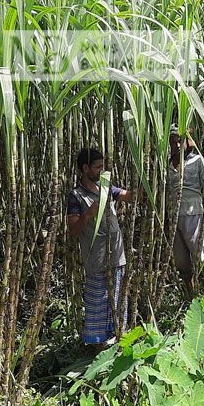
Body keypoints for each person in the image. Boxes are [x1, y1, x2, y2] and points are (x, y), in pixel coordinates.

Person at [67, 147, 136, 349]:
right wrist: (87, 215)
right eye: (98, 167)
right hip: (95, 260)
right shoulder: (76, 196)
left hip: (116, 256)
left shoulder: (106, 187)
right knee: (98, 304)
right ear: (85, 168)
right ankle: (98, 349)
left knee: (116, 300)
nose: (102, 170)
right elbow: (73, 230)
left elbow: (128, 196)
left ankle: (119, 341)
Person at [167, 125, 204, 295]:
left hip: (193, 212)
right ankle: (190, 294)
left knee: (199, 254)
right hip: (173, 214)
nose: (175, 146)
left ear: (187, 143)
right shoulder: (166, 163)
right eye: (172, 142)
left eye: (178, 142)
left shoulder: (197, 161)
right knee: (181, 259)